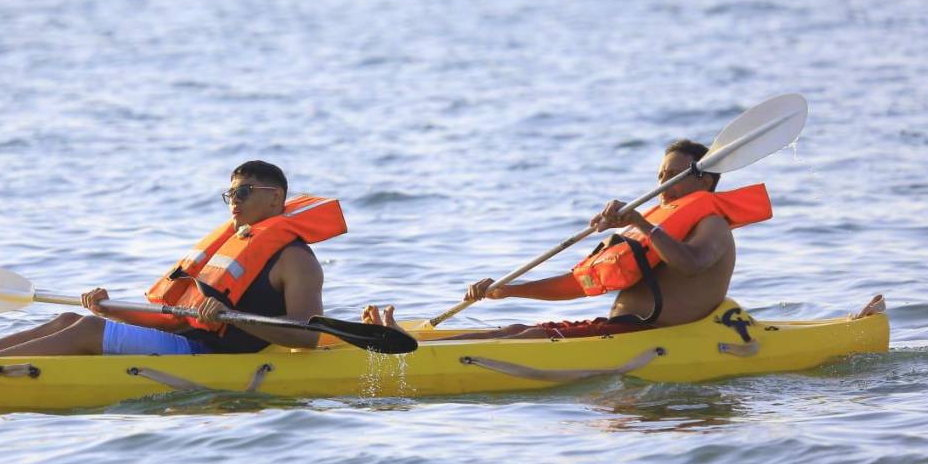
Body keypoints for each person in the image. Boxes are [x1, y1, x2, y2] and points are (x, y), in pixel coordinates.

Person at [364, 140, 883, 339]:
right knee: (521, 323)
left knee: (531, 338)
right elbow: (577, 284)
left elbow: (695, 266)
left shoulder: (710, 224)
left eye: (674, 175)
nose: (663, 183)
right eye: (660, 172)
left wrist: (640, 222)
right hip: (620, 327)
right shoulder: (659, 218)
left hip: (652, 337)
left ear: (704, 181)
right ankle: (413, 341)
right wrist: (505, 290)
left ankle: (405, 351)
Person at [0, 161, 346, 358]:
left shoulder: (297, 261)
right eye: (229, 191)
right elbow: (180, 313)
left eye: (244, 192)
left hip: (216, 354)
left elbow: (305, 339)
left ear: (276, 199)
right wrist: (114, 308)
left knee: (89, 332)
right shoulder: (235, 243)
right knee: (76, 320)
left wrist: (231, 315)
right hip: (193, 338)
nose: (233, 200)